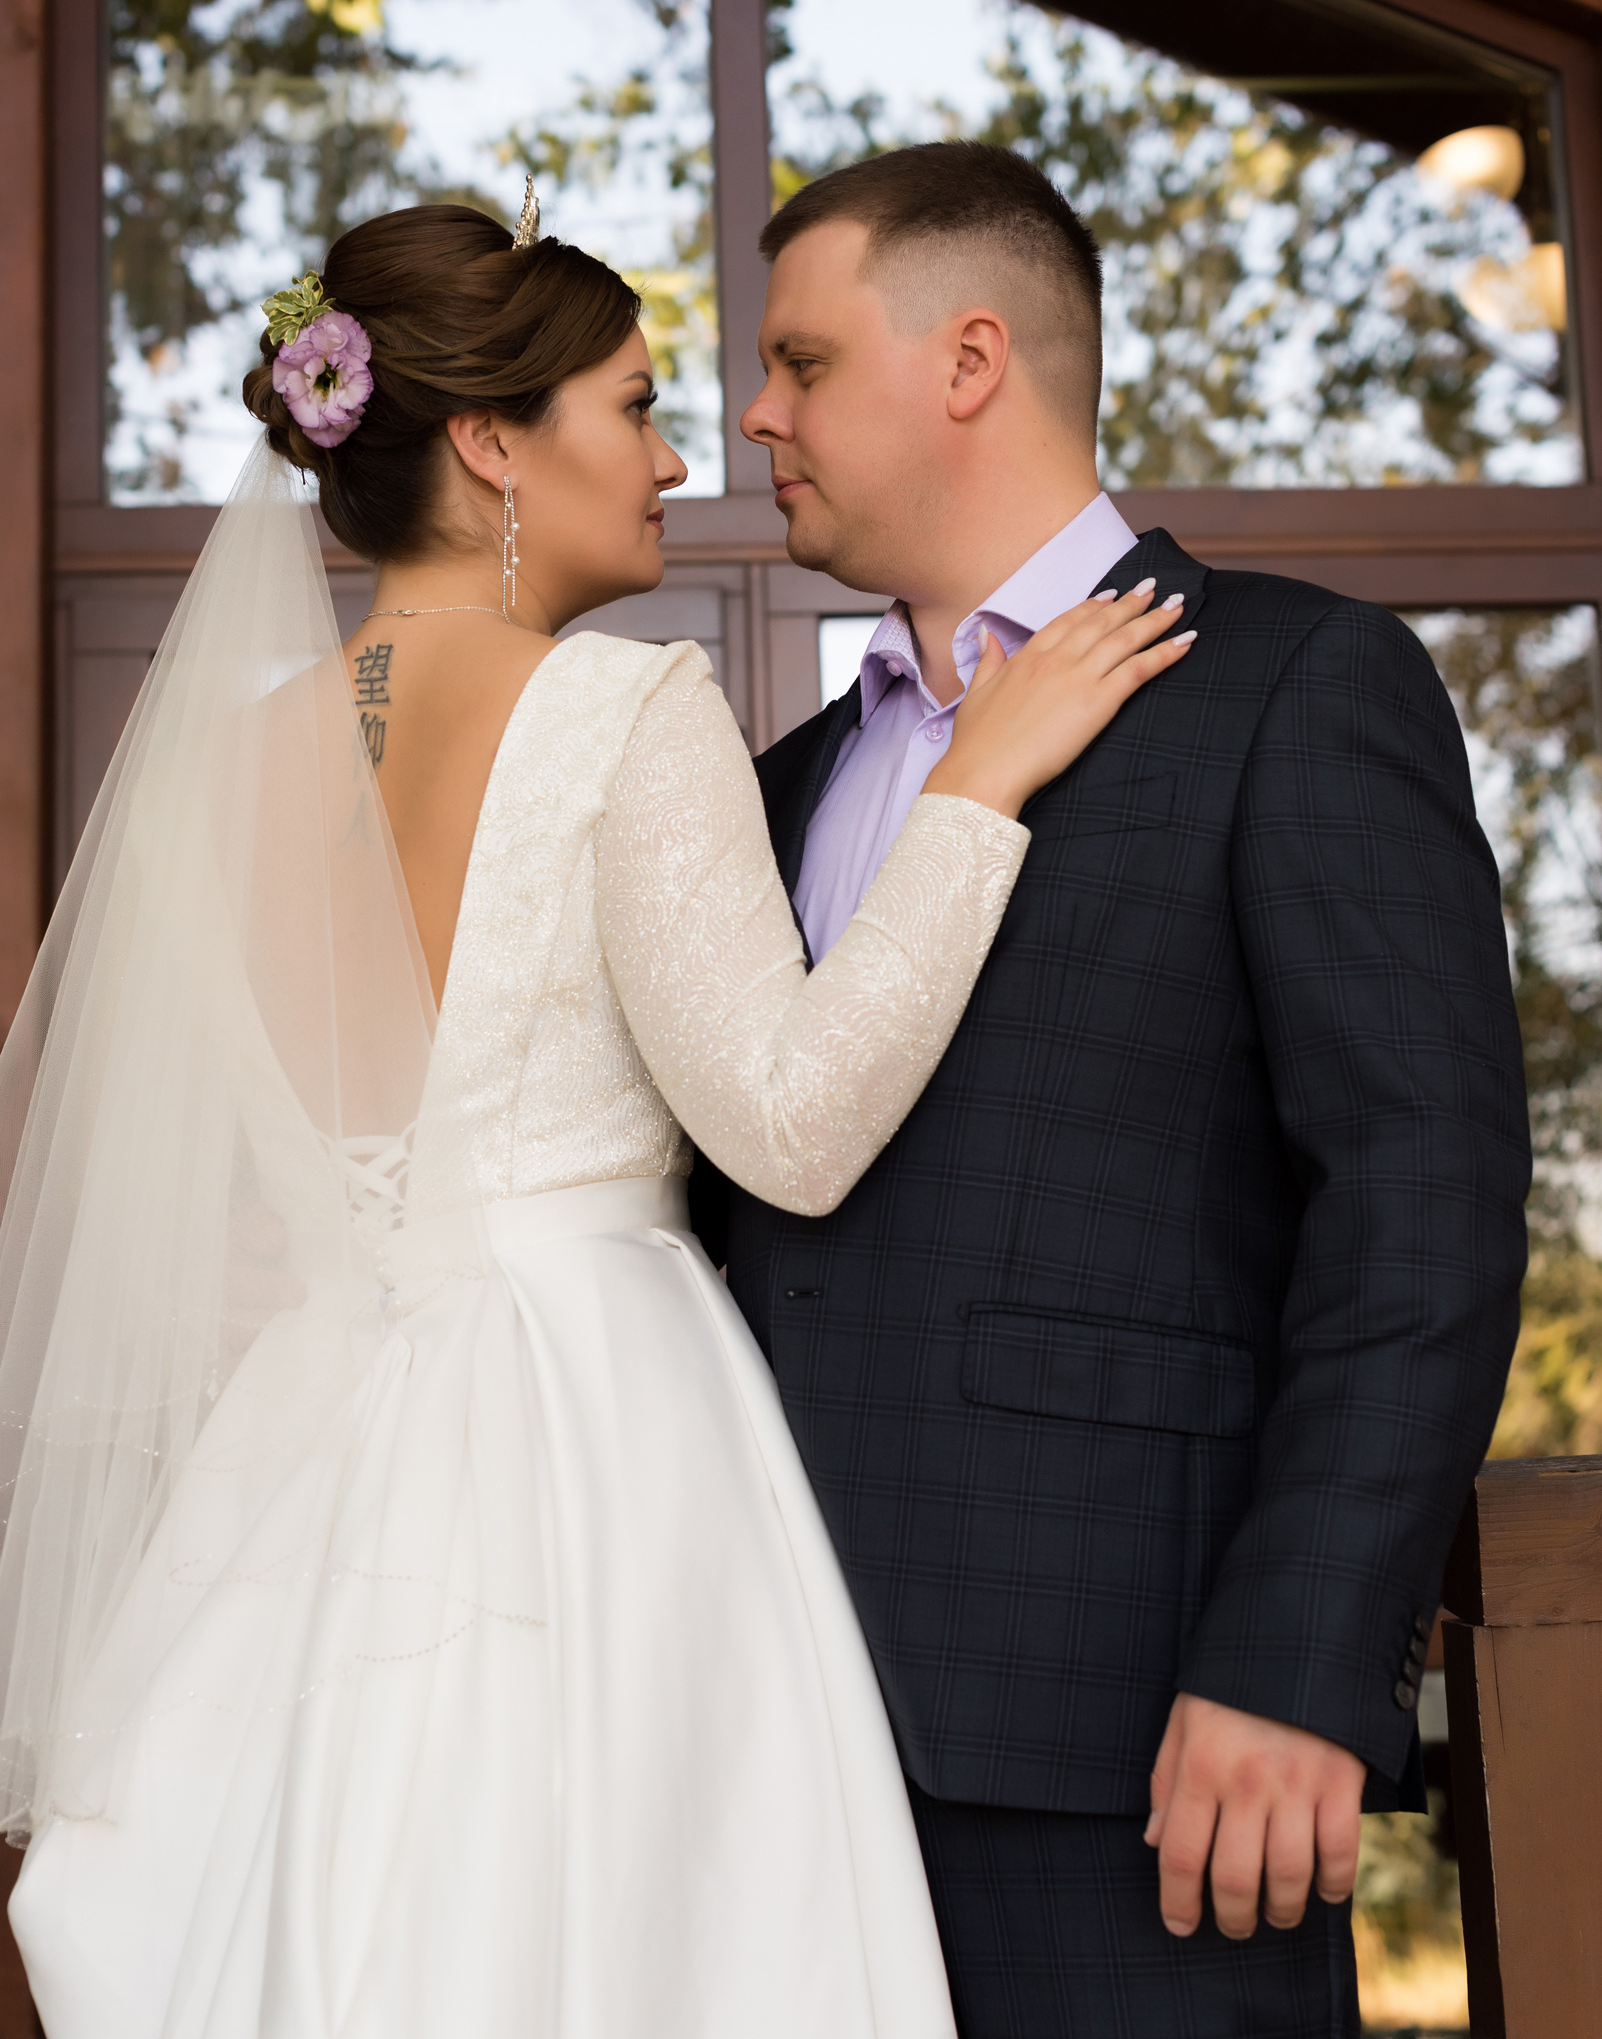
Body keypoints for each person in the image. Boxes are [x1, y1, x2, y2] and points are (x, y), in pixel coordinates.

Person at [0, 196, 1192, 2038]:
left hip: (306, 1465)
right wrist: (977, 784)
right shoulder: (622, 709)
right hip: (589, 1436)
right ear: (490, 444)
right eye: (632, 408)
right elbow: (789, 1126)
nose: (676, 455)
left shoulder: (211, 777)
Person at [692, 140, 1530, 2039]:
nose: (755, 415)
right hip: (761, 1755)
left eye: (801, 363)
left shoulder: (1295, 687)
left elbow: (1419, 1204)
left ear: (968, 357)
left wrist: (1303, 1657)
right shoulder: (770, 790)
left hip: (1135, 1746)